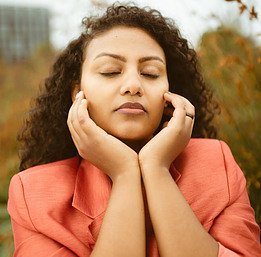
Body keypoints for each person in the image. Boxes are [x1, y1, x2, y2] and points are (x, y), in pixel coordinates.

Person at [7, 2, 260, 257]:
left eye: (150, 73)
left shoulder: (218, 165)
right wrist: (124, 172)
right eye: (110, 71)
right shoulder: (33, 195)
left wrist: (156, 167)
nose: (133, 85)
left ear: (171, 92)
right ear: (77, 94)